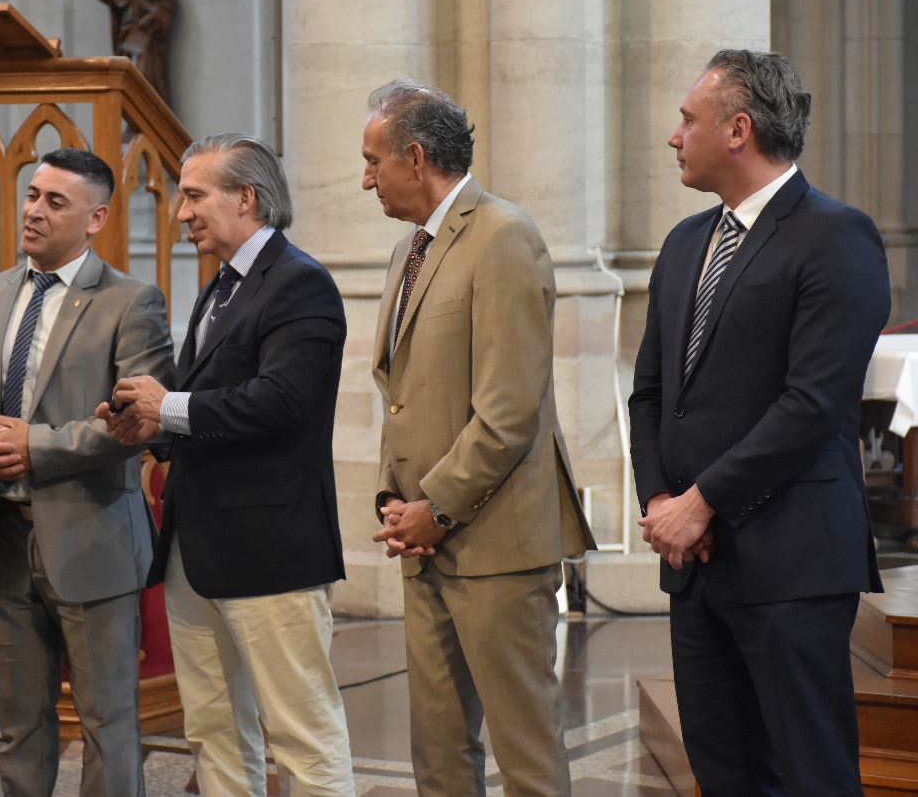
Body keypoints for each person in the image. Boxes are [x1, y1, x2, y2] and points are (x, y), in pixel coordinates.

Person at [629, 50, 890, 796]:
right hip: (695, 564)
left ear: (738, 129)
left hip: (791, 563)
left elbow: (812, 404)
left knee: (812, 777)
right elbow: (650, 393)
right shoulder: (685, 244)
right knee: (726, 773)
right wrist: (660, 504)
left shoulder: (835, 236)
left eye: (688, 119)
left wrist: (701, 501)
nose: (674, 136)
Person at [99, 133, 355, 796]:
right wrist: (150, 425)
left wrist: (171, 405)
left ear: (247, 198)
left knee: (302, 735)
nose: (181, 211)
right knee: (213, 731)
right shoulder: (220, 288)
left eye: (194, 194)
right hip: (197, 548)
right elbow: (207, 409)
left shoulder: (301, 283)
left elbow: (282, 400)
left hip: (272, 549)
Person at [363, 79, 595, 796]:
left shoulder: (503, 235)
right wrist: (393, 504)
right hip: (424, 541)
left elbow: (509, 408)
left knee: (524, 753)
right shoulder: (410, 249)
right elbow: (401, 395)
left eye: (373, 160)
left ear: (416, 156)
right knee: (438, 754)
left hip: (496, 544)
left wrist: (434, 507)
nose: (364, 177)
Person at [0, 148, 175, 797]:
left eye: (55, 201)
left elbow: (137, 418)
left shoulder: (132, 300)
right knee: (17, 725)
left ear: (96, 216)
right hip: (3, 538)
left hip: (92, 536)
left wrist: (34, 444)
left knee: (108, 724)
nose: (34, 210)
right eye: (32, 194)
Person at [91, 0, 177, 102]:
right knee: (130, 78)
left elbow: (167, 6)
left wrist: (150, 19)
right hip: (130, 36)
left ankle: (152, 116)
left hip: (148, 39)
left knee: (146, 76)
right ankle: (134, 121)